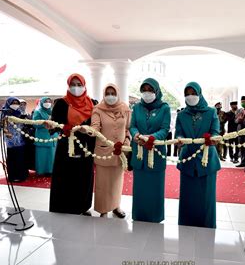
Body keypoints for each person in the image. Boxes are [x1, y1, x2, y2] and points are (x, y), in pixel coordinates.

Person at [175, 82, 221, 228]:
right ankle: (186, 225)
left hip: (207, 161)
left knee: (206, 198)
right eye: (187, 94)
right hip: (188, 160)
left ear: (200, 94)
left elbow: (215, 130)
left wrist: (213, 138)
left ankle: (207, 226)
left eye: (193, 93)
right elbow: (179, 132)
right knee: (188, 197)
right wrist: (180, 140)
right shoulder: (182, 114)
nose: (190, 96)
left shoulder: (211, 111)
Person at [49, 73, 96, 215]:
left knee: (84, 175)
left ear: (84, 85)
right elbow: (55, 124)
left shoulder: (93, 103)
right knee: (65, 175)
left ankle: (83, 206)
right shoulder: (61, 103)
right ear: (68, 86)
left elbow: (96, 125)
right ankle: (63, 206)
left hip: (85, 145)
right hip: (66, 144)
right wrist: (62, 127)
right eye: (73, 85)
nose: (76, 88)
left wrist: (87, 130)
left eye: (79, 85)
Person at [130, 78, 171, 223]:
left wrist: (152, 137)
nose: (147, 93)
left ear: (157, 91)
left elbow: (165, 129)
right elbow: (132, 125)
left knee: (155, 188)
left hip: (156, 152)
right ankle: (139, 215)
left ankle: (155, 216)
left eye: (150, 90)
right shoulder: (136, 107)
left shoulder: (164, 108)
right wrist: (135, 134)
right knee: (140, 188)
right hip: (139, 151)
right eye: (144, 90)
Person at [90, 84, 131, 218]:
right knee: (103, 183)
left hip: (120, 151)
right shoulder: (97, 109)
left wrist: (126, 141)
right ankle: (103, 209)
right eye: (107, 93)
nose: (110, 96)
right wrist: (90, 131)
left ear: (118, 94)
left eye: (113, 93)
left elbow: (128, 128)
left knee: (116, 181)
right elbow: (95, 126)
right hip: (104, 152)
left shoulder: (125, 108)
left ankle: (116, 206)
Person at [1, 97, 28, 182]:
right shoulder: (4, 113)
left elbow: (24, 125)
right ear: (8, 103)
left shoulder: (20, 112)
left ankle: (21, 176)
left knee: (21, 158)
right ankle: (12, 176)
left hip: (20, 138)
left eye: (17, 103)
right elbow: (1, 124)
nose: (15, 104)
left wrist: (25, 120)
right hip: (10, 139)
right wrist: (6, 131)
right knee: (12, 158)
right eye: (13, 103)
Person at [32, 97, 57, 175]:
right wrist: (45, 123)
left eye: (49, 101)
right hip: (42, 137)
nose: (48, 103)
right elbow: (35, 124)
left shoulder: (53, 112)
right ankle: (41, 171)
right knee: (42, 155)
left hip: (53, 136)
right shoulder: (38, 112)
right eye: (46, 101)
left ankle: (50, 171)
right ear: (42, 102)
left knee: (51, 155)